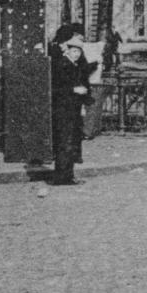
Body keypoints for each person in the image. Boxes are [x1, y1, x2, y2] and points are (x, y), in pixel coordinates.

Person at [50, 35, 97, 185]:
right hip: (64, 110)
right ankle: (62, 177)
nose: (77, 54)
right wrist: (74, 90)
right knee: (65, 142)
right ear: (68, 51)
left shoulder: (73, 65)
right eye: (74, 51)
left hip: (72, 109)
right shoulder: (62, 65)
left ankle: (68, 175)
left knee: (71, 142)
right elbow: (55, 89)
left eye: (79, 51)